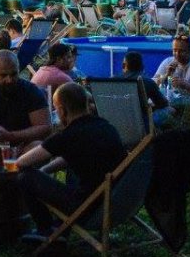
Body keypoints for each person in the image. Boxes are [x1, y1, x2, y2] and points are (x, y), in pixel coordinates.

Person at [15, 82, 127, 240]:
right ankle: (59, 226)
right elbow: (72, 156)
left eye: (56, 109)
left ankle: (46, 229)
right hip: (116, 201)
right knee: (74, 166)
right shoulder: (106, 126)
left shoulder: (67, 136)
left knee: (25, 177)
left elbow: (21, 163)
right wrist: (45, 170)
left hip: (87, 208)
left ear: (62, 110)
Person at [121, 50, 171, 126]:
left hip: (117, 123)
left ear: (124, 66)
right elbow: (163, 104)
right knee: (170, 110)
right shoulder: (147, 82)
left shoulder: (113, 81)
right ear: (142, 67)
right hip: (140, 124)